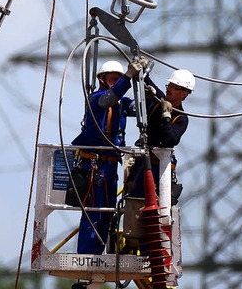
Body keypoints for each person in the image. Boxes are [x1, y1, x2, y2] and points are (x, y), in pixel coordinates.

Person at [71, 59, 145, 255]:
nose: (116, 80)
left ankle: (98, 255)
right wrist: (128, 77)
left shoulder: (121, 103)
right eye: (112, 77)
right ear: (102, 79)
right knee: (94, 213)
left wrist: (146, 84)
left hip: (110, 168)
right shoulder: (96, 98)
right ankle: (87, 256)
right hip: (94, 166)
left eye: (118, 78)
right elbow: (108, 99)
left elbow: (140, 109)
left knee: (107, 214)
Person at [126, 69, 195, 202]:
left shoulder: (181, 118)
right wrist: (142, 69)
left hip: (159, 169)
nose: (169, 89)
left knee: (154, 207)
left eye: (174, 88)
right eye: (169, 86)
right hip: (141, 165)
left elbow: (170, 140)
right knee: (135, 203)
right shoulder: (159, 101)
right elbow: (146, 81)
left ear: (184, 94)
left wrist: (166, 117)